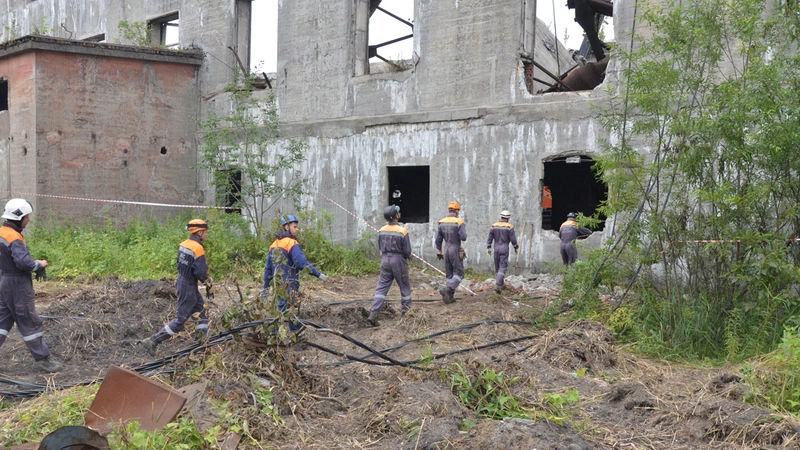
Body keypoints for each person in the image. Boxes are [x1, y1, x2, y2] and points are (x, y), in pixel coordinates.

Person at [0, 198, 62, 372]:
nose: (28, 220)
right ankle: (43, 359)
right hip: (17, 284)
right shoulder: (14, 237)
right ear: (19, 218)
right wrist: (39, 265)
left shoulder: (2, 232)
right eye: (27, 217)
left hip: (4, 280)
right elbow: (22, 262)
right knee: (28, 319)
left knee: (2, 320)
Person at [141, 219, 212, 357]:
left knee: (202, 313)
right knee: (180, 321)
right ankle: (153, 340)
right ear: (199, 232)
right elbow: (199, 271)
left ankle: (200, 345)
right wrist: (207, 280)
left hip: (183, 281)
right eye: (206, 232)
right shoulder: (198, 248)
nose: (207, 234)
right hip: (189, 286)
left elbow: (181, 265)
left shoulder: (184, 245)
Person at [262, 215, 328, 331]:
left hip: (277, 284)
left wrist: (266, 287)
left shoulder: (274, 244)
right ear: (287, 227)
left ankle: (276, 335)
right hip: (290, 283)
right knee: (293, 309)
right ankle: (296, 335)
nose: (297, 229)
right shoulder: (291, 243)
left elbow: (268, 269)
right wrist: (318, 274)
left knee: (280, 309)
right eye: (295, 227)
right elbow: (301, 263)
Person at [368, 205, 412, 327]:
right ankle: (405, 313)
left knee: (381, 287)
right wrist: (408, 256)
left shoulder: (382, 230)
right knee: (404, 286)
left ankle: (374, 313)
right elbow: (407, 251)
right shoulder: (402, 231)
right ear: (396, 216)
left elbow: (380, 246)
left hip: (385, 259)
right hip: (398, 260)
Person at [435, 201, 467, 304]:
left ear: (449, 210)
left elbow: (438, 240)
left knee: (449, 274)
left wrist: (439, 250)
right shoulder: (459, 222)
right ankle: (448, 289)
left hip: (446, 249)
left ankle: (449, 297)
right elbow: (464, 237)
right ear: (457, 211)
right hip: (455, 249)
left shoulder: (441, 222)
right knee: (459, 273)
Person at [487, 210, 519, 293]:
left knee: (498, 267)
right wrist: (516, 247)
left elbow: (490, 237)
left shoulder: (494, 226)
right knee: (503, 267)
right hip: (504, 248)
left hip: (496, 248)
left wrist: (489, 247)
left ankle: (501, 285)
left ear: (501, 217)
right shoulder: (509, 226)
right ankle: (498, 285)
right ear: (508, 218)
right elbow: (513, 239)